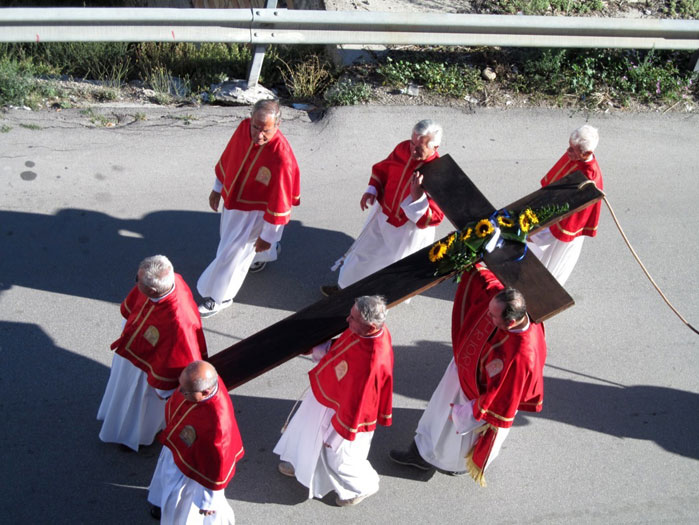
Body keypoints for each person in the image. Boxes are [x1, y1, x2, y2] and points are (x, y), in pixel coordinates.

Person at [389, 264, 547, 486]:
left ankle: (427, 457)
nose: (488, 317)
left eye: (493, 316)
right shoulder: (509, 306)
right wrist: (474, 263)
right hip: (465, 371)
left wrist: (470, 411)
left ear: (511, 322)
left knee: (449, 427)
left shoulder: (522, 355)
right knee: (440, 412)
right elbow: (489, 285)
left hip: (476, 394)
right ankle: (435, 454)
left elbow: (503, 396)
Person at [274, 295, 394, 506]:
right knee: (306, 428)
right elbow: (345, 350)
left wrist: (341, 431)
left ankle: (363, 487)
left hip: (346, 413)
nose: (347, 320)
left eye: (353, 318)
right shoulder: (364, 331)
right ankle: (299, 463)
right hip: (330, 393)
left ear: (371, 325)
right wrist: (317, 347)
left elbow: (360, 400)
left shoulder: (373, 360)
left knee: (337, 456)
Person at [197, 99, 301, 318]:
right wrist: (217, 189)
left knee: (230, 253)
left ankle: (219, 297)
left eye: (266, 131)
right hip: (234, 203)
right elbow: (230, 158)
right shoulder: (243, 128)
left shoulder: (281, 157)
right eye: (255, 127)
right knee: (233, 245)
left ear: (278, 125)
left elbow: (280, 202)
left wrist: (269, 236)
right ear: (250, 119)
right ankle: (266, 254)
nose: (258, 135)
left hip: (257, 213)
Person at [320, 120, 445, 296]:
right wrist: (372, 189)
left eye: (420, 147)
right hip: (383, 213)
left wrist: (417, 196)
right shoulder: (403, 149)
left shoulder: (440, 171)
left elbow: (435, 217)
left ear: (435, 146)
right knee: (363, 251)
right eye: (412, 143)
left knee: (391, 269)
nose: (413, 150)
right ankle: (343, 290)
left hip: (407, 230)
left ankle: (373, 307)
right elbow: (384, 169)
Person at [97, 255, 207, 452]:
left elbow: (180, 355)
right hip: (133, 350)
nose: (135, 284)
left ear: (153, 291)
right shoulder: (168, 280)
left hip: (149, 368)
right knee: (121, 386)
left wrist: (163, 386)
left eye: (137, 281)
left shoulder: (178, 320)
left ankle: (134, 437)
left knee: (138, 401)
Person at [147, 360, 244, 524]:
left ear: (206, 392)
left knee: (178, 501)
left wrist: (209, 501)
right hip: (179, 444)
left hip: (195, 469)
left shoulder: (218, 423)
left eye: (186, 392)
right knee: (165, 476)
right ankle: (159, 503)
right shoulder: (198, 383)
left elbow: (217, 465)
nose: (180, 392)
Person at [528, 124, 604, 285]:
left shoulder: (590, 177)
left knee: (549, 257)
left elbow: (571, 212)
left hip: (563, 223)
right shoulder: (575, 155)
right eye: (569, 146)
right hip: (551, 209)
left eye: (573, 149)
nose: (568, 152)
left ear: (587, 153)